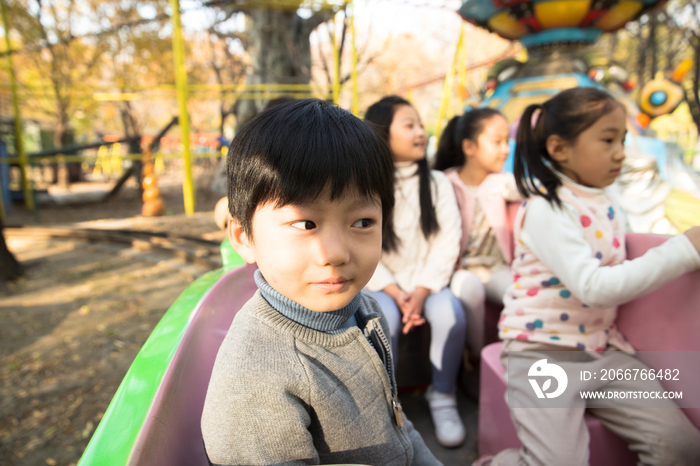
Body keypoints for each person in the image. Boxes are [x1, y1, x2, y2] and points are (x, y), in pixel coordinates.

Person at [201, 99, 443, 466]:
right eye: (305, 224)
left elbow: (397, 423)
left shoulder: (363, 307)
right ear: (243, 236)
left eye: (362, 222)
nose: (335, 253)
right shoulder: (254, 380)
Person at [475, 87, 700, 466]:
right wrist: (683, 249)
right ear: (560, 149)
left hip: (604, 352)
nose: (621, 152)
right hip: (542, 355)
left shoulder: (608, 202)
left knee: (682, 447)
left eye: (623, 140)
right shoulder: (548, 208)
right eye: (608, 139)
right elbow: (594, 287)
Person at [364, 96, 467, 448]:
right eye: (409, 125)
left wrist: (422, 292)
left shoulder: (437, 182)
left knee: (450, 315)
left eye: (420, 124)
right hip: (382, 284)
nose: (421, 132)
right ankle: (388, 407)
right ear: (382, 134)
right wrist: (394, 291)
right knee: (384, 320)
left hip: (430, 283)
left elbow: (447, 241)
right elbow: (363, 243)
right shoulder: (367, 184)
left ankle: (443, 397)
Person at [434, 108, 521, 361]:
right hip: (461, 269)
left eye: (507, 141)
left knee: (518, 293)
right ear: (469, 147)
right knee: (469, 289)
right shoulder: (446, 182)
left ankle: (512, 357)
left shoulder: (502, 182)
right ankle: (477, 355)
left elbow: (530, 190)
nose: (505, 149)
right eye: (497, 142)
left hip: (496, 268)